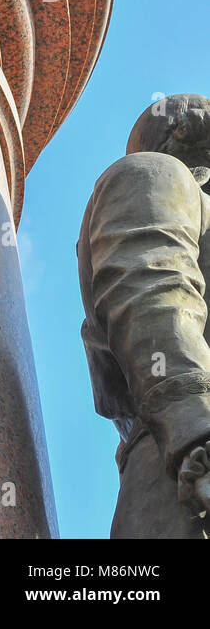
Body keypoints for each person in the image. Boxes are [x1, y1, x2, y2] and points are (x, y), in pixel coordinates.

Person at [78, 93, 210, 538]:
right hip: (188, 464)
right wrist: (196, 426)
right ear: (181, 130)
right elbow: (152, 288)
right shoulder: (157, 175)